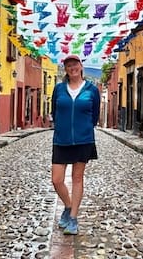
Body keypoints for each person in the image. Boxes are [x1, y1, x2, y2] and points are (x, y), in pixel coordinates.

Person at [50, 54, 100, 235]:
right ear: (66, 69)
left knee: (77, 178)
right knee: (56, 180)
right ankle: (68, 206)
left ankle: (73, 218)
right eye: (68, 65)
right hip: (61, 140)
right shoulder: (59, 89)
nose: (72, 68)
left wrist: (84, 128)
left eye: (75, 64)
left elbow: (94, 116)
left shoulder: (91, 89)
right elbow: (54, 112)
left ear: (80, 66)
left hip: (83, 140)